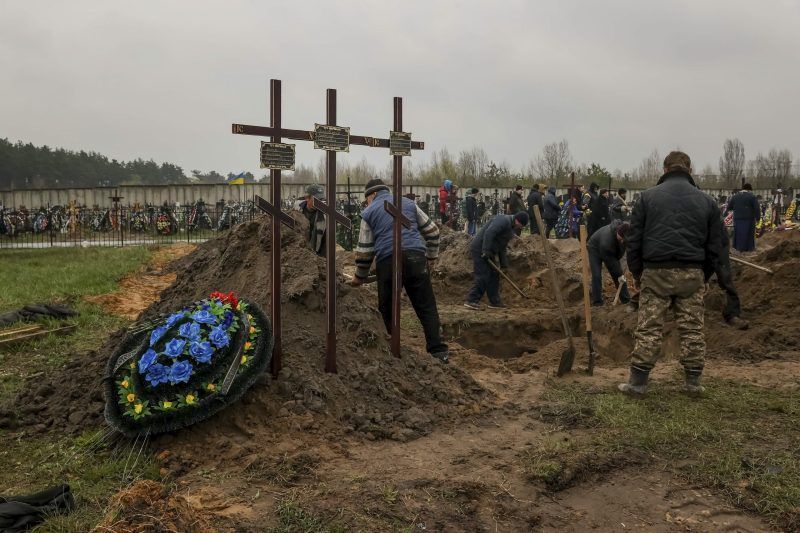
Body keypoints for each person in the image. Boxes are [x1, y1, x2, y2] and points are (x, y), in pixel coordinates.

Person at [620, 151, 723, 396]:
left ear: (664, 170)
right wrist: (704, 275)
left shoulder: (646, 198)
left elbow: (634, 240)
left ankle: (638, 383)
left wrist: (637, 272)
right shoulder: (707, 202)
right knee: (692, 328)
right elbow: (716, 246)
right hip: (692, 272)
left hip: (656, 272)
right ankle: (693, 383)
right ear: (690, 170)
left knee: (649, 327)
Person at [353, 179, 449, 363]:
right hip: (416, 257)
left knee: (386, 308)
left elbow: (365, 250)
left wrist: (360, 276)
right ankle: (439, 352)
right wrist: (430, 257)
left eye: (367, 200)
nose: (367, 204)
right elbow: (433, 231)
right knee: (426, 305)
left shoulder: (369, 211)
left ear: (371, 195)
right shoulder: (408, 203)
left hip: (388, 261)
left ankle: (390, 351)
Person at [464, 212, 529, 310]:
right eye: (521, 225)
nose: (521, 227)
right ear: (517, 221)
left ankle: (494, 302)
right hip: (479, 248)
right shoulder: (503, 221)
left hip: (489, 251)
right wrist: (485, 251)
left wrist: (504, 265)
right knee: (483, 274)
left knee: (494, 275)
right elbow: (489, 233)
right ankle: (471, 300)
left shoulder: (510, 229)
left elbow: (502, 247)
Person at [710, 221, 748, 330]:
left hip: (713, 236)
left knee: (724, 276)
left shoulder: (708, 208)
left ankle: (732, 313)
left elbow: (720, 239)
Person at [587, 219, 631, 306]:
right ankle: (597, 302)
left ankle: (625, 299)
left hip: (610, 250)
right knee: (597, 275)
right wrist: (620, 274)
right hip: (594, 248)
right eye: (621, 239)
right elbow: (612, 265)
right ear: (618, 233)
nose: (622, 241)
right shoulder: (607, 242)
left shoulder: (624, 232)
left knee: (619, 275)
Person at [726, 183, 760, 252]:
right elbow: (757, 208)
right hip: (748, 219)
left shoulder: (735, 196)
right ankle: (748, 249)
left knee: (738, 233)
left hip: (737, 219)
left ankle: (738, 248)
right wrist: (758, 218)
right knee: (748, 234)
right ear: (749, 190)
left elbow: (729, 207)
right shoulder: (752, 197)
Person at [299, 184, 326, 257]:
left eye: (321, 199)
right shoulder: (297, 211)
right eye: (317, 200)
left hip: (316, 256)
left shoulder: (324, 217)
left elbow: (325, 245)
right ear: (307, 198)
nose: (320, 202)